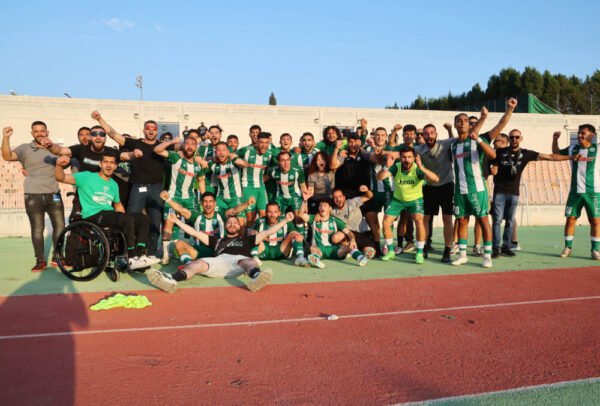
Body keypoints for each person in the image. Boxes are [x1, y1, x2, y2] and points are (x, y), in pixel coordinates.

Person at [54, 151, 160, 280]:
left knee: (142, 218)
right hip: (92, 215)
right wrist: (59, 165)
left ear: (116, 166)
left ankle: (141, 254)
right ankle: (132, 258)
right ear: (100, 164)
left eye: (112, 163)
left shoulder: (113, 184)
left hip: (108, 214)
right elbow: (61, 178)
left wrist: (129, 220)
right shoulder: (86, 177)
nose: (109, 166)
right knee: (125, 219)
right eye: (106, 162)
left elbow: (118, 205)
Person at [148, 212, 296, 293]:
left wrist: (285, 221)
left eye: (235, 223)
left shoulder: (248, 239)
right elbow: (195, 232)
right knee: (197, 264)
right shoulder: (216, 240)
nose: (232, 224)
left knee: (249, 261)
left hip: (238, 263)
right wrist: (176, 222)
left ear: (239, 226)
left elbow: (268, 231)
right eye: (229, 223)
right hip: (218, 261)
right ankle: (172, 280)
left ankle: (256, 278)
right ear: (225, 226)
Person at [92, 111, 165, 257]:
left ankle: (150, 253)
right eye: (148, 128)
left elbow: (186, 149)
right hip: (138, 187)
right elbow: (114, 135)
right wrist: (100, 119)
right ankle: (129, 252)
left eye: (154, 128)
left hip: (157, 189)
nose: (151, 130)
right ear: (144, 130)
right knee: (130, 221)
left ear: (157, 131)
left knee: (155, 222)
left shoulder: (163, 146)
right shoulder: (135, 143)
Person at [490, 129, 570, 258]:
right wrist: (493, 167)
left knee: (510, 221)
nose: (514, 139)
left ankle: (506, 246)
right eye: (512, 137)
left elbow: (550, 156)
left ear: (521, 139)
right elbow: (491, 165)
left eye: (517, 137)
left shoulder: (526, 153)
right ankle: (495, 248)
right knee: (497, 220)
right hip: (499, 191)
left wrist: (571, 157)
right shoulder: (500, 152)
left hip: (514, 192)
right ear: (509, 139)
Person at [2, 123, 65, 271]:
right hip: (32, 195)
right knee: (37, 228)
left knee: (60, 226)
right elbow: (7, 156)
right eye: (36, 132)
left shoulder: (56, 149)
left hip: (53, 193)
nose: (40, 134)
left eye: (42, 131)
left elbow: (67, 160)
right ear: (32, 134)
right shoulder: (24, 148)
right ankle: (40, 260)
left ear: (47, 132)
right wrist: (5, 138)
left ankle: (58, 257)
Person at [450, 107, 497, 267]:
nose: (462, 123)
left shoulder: (476, 140)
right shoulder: (453, 146)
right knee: (462, 221)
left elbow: (492, 155)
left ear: (469, 125)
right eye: (459, 121)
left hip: (477, 189)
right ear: (455, 125)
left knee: (483, 221)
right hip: (459, 191)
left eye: (465, 120)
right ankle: (462, 255)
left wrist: (483, 120)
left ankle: (487, 256)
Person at [377, 146, 439, 264]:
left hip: (415, 200)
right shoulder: (396, 167)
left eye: (409, 157)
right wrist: (386, 166)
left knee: (419, 220)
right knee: (386, 222)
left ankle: (419, 253)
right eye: (404, 157)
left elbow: (436, 179)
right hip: (398, 200)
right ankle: (390, 251)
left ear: (414, 158)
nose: (406, 160)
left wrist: (422, 168)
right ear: (400, 158)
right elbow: (379, 177)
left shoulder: (418, 169)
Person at [160, 191, 251, 266]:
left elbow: (235, 210)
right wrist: (168, 199)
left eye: (210, 201)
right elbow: (181, 210)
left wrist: (247, 203)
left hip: (218, 251)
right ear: (201, 203)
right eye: (205, 201)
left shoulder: (221, 215)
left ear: (215, 203)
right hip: (199, 251)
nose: (208, 204)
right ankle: (188, 263)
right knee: (179, 244)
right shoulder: (197, 216)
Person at [154, 136, 205, 264]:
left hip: (190, 199)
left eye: (193, 144)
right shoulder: (176, 157)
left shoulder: (198, 165)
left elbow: (201, 180)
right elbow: (157, 150)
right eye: (187, 143)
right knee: (169, 224)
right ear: (183, 146)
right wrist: (171, 142)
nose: (189, 146)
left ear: (196, 147)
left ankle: (198, 250)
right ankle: (166, 256)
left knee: (197, 223)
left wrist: (204, 198)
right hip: (173, 197)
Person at [552, 125, 600, 259]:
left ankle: (595, 250)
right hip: (575, 192)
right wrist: (555, 140)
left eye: (583, 133)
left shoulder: (598, 149)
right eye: (579, 133)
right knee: (570, 219)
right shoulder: (573, 148)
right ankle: (567, 247)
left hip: (593, 192)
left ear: (592, 135)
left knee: (596, 221)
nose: (579, 135)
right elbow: (556, 153)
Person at [416, 124, 455, 262]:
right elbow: (401, 152)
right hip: (429, 187)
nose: (429, 136)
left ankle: (447, 249)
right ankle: (424, 246)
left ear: (436, 134)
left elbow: (456, 140)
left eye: (432, 133)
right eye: (426, 133)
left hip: (447, 186)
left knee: (447, 219)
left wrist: (450, 129)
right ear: (422, 136)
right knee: (425, 219)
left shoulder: (445, 144)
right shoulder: (419, 149)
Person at [302, 198, 370, 268]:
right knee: (312, 249)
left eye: (325, 205)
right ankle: (316, 261)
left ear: (330, 209)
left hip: (333, 249)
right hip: (319, 249)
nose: (322, 207)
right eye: (320, 206)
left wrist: (352, 240)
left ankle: (361, 258)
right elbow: (301, 215)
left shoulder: (335, 220)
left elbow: (349, 233)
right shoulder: (313, 218)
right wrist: (304, 200)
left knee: (349, 246)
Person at [249, 201, 309, 267]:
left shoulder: (286, 220)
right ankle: (254, 258)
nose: (272, 215)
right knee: (253, 233)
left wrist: (299, 236)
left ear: (279, 213)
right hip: (263, 250)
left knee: (295, 234)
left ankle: (300, 258)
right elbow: (252, 236)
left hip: (281, 250)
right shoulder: (260, 221)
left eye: (275, 212)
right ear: (265, 213)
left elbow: (297, 235)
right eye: (269, 212)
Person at [238, 132, 275, 227]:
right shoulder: (246, 151)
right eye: (261, 142)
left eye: (266, 143)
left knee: (264, 214)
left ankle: (262, 237)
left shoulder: (269, 155)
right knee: (250, 217)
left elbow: (274, 170)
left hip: (261, 187)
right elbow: (231, 155)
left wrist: (267, 177)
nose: (264, 145)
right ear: (256, 142)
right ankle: (248, 239)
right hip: (248, 187)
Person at [331, 186, 377, 260]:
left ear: (344, 197)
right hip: (347, 236)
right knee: (336, 237)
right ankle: (350, 250)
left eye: (340, 196)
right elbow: (322, 213)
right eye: (335, 197)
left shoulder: (352, 202)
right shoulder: (332, 211)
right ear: (333, 200)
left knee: (369, 253)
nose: (338, 199)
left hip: (362, 233)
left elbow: (369, 196)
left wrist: (367, 190)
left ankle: (356, 251)